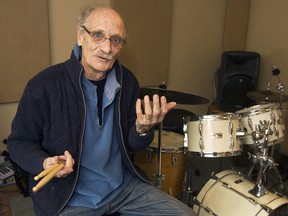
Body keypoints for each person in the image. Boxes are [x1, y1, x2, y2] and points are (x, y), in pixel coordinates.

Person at [7, 4, 196, 216]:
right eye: (98, 35)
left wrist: (143, 129)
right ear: (80, 36)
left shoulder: (128, 81)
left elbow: (133, 145)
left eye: (115, 40)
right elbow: (18, 143)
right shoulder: (44, 85)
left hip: (122, 188)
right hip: (69, 196)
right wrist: (44, 162)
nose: (107, 49)